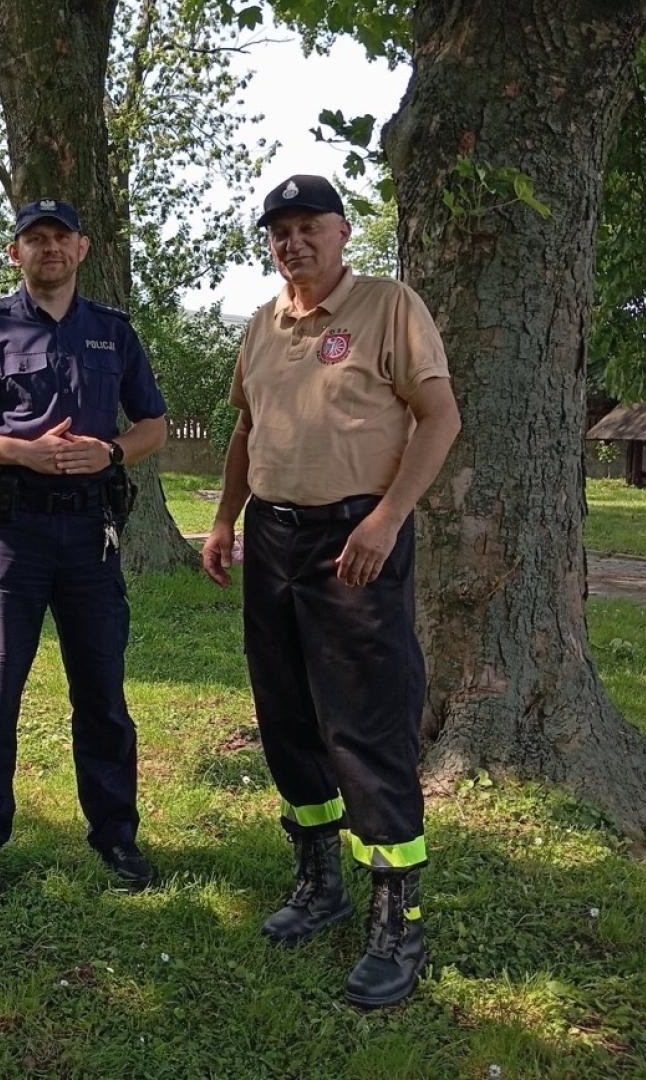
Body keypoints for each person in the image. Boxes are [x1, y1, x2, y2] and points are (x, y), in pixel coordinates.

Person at [200, 174, 461, 1009]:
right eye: (278, 230)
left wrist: (386, 520)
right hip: (272, 539)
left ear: (343, 231)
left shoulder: (387, 306)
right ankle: (320, 883)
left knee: (366, 720)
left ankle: (398, 919)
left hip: (355, 541)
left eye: (308, 225)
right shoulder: (261, 323)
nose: (292, 241)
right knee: (284, 715)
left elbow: (439, 417)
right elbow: (246, 429)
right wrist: (222, 521)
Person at [0, 198, 167, 898]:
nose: (48, 249)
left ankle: (116, 836)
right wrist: (17, 453)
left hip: (91, 538)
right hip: (13, 537)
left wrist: (110, 452)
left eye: (60, 238)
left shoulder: (111, 333)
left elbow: (152, 422)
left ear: (81, 250)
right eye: (35, 239)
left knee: (103, 699)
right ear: (14, 253)